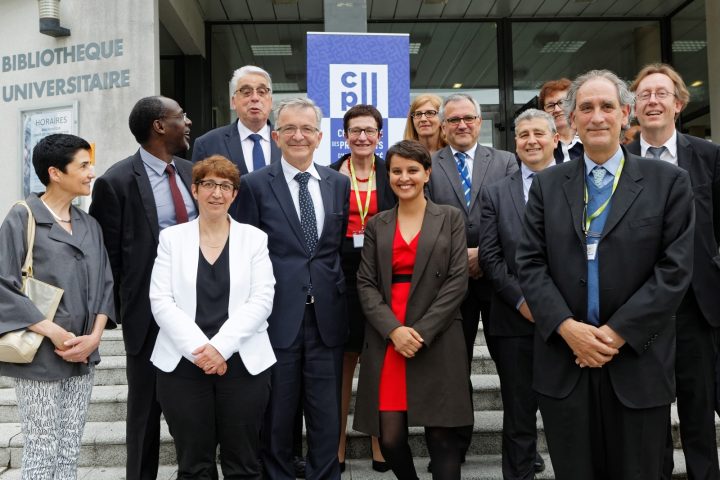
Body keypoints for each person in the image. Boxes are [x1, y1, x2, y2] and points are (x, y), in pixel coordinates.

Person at [515, 69, 695, 480]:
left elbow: (675, 269)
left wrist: (615, 333)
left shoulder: (669, 183)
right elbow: (529, 263)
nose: (597, 116)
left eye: (607, 106)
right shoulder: (546, 186)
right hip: (566, 362)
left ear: (626, 114)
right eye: (586, 108)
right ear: (571, 119)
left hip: (636, 362)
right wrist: (567, 328)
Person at [235, 97, 350, 480]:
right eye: (288, 129)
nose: (297, 136)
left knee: (326, 415)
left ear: (319, 137)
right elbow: (244, 254)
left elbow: (336, 252)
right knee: (278, 416)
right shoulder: (253, 185)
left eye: (306, 129)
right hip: (276, 320)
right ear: (275, 135)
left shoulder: (339, 183)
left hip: (327, 320)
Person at [90, 96, 197, 480]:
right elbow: (108, 259)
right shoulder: (115, 182)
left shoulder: (191, 171)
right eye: (180, 117)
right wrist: (120, 313)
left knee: (193, 415)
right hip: (148, 321)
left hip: (200, 315)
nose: (187, 122)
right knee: (144, 418)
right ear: (158, 126)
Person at [149, 155, 276, 479]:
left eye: (225, 186)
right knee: (194, 465)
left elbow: (261, 299)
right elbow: (161, 300)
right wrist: (201, 350)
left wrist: (220, 347)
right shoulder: (171, 239)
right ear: (195, 189)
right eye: (208, 184)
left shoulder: (254, 239)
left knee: (244, 464)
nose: (216, 193)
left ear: (235, 194)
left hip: (243, 364)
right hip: (183, 365)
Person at [353, 139, 472, 480]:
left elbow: (457, 281)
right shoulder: (378, 223)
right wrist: (394, 330)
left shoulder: (450, 217)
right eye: (396, 171)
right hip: (389, 334)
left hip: (436, 333)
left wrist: (419, 332)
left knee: (442, 437)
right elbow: (366, 283)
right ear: (388, 175)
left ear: (427, 173)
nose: (404, 178)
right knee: (390, 438)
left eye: (412, 170)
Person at [0, 133, 115, 479]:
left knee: (68, 448)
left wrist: (94, 338)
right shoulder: (22, 217)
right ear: (55, 172)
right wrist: (51, 330)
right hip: (40, 354)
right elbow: (3, 282)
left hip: (83, 352)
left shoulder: (89, 225)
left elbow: (105, 284)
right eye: (83, 165)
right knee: (42, 447)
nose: (91, 172)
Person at [627, 63, 720, 480]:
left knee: (699, 410)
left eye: (661, 93)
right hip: (640, 307)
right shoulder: (620, 160)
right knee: (649, 416)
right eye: (645, 94)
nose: (652, 101)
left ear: (678, 104)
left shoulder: (709, 156)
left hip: (697, 307)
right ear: (633, 107)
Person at [426, 92, 520, 467]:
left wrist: (483, 254)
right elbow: (426, 217)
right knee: (453, 368)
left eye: (468, 118)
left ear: (480, 122)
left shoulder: (506, 160)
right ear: (444, 127)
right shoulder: (429, 164)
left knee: (512, 369)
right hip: (449, 283)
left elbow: (515, 215)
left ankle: (519, 447)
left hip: (497, 280)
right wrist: (457, 257)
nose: (462, 125)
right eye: (453, 120)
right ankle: (454, 446)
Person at [478, 109, 558, 480]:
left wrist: (554, 307)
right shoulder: (497, 192)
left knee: (566, 412)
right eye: (523, 134)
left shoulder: (579, 183)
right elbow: (491, 256)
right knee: (519, 412)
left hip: (569, 319)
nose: (531, 140)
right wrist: (523, 300)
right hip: (514, 319)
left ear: (555, 139)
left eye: (539, 133)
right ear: (515, 144)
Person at [329, 104, 396, 472]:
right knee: (342, 366)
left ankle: (379, 444)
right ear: (345, 134)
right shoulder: (331, 175)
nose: (362, 137)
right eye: (355, 131)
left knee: (378, 368)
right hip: (341, 279)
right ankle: (336, 446)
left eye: (369, 131)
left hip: (382, 280)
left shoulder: (392, 173)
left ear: (379, 135)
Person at [192, 65, 281, 215]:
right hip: (230, 233)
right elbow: (199, 197)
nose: (255, 98)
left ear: (270, 102)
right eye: (246, 92)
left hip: (278, 234)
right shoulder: (208, 143)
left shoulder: (287, 141)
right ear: (233, 101)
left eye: (262, 92)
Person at [538, 78, 583, 163]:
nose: (557, 110)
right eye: (550, 106)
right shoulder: (540, 146)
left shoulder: (590, 140)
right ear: (544, 113)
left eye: (562, 102)